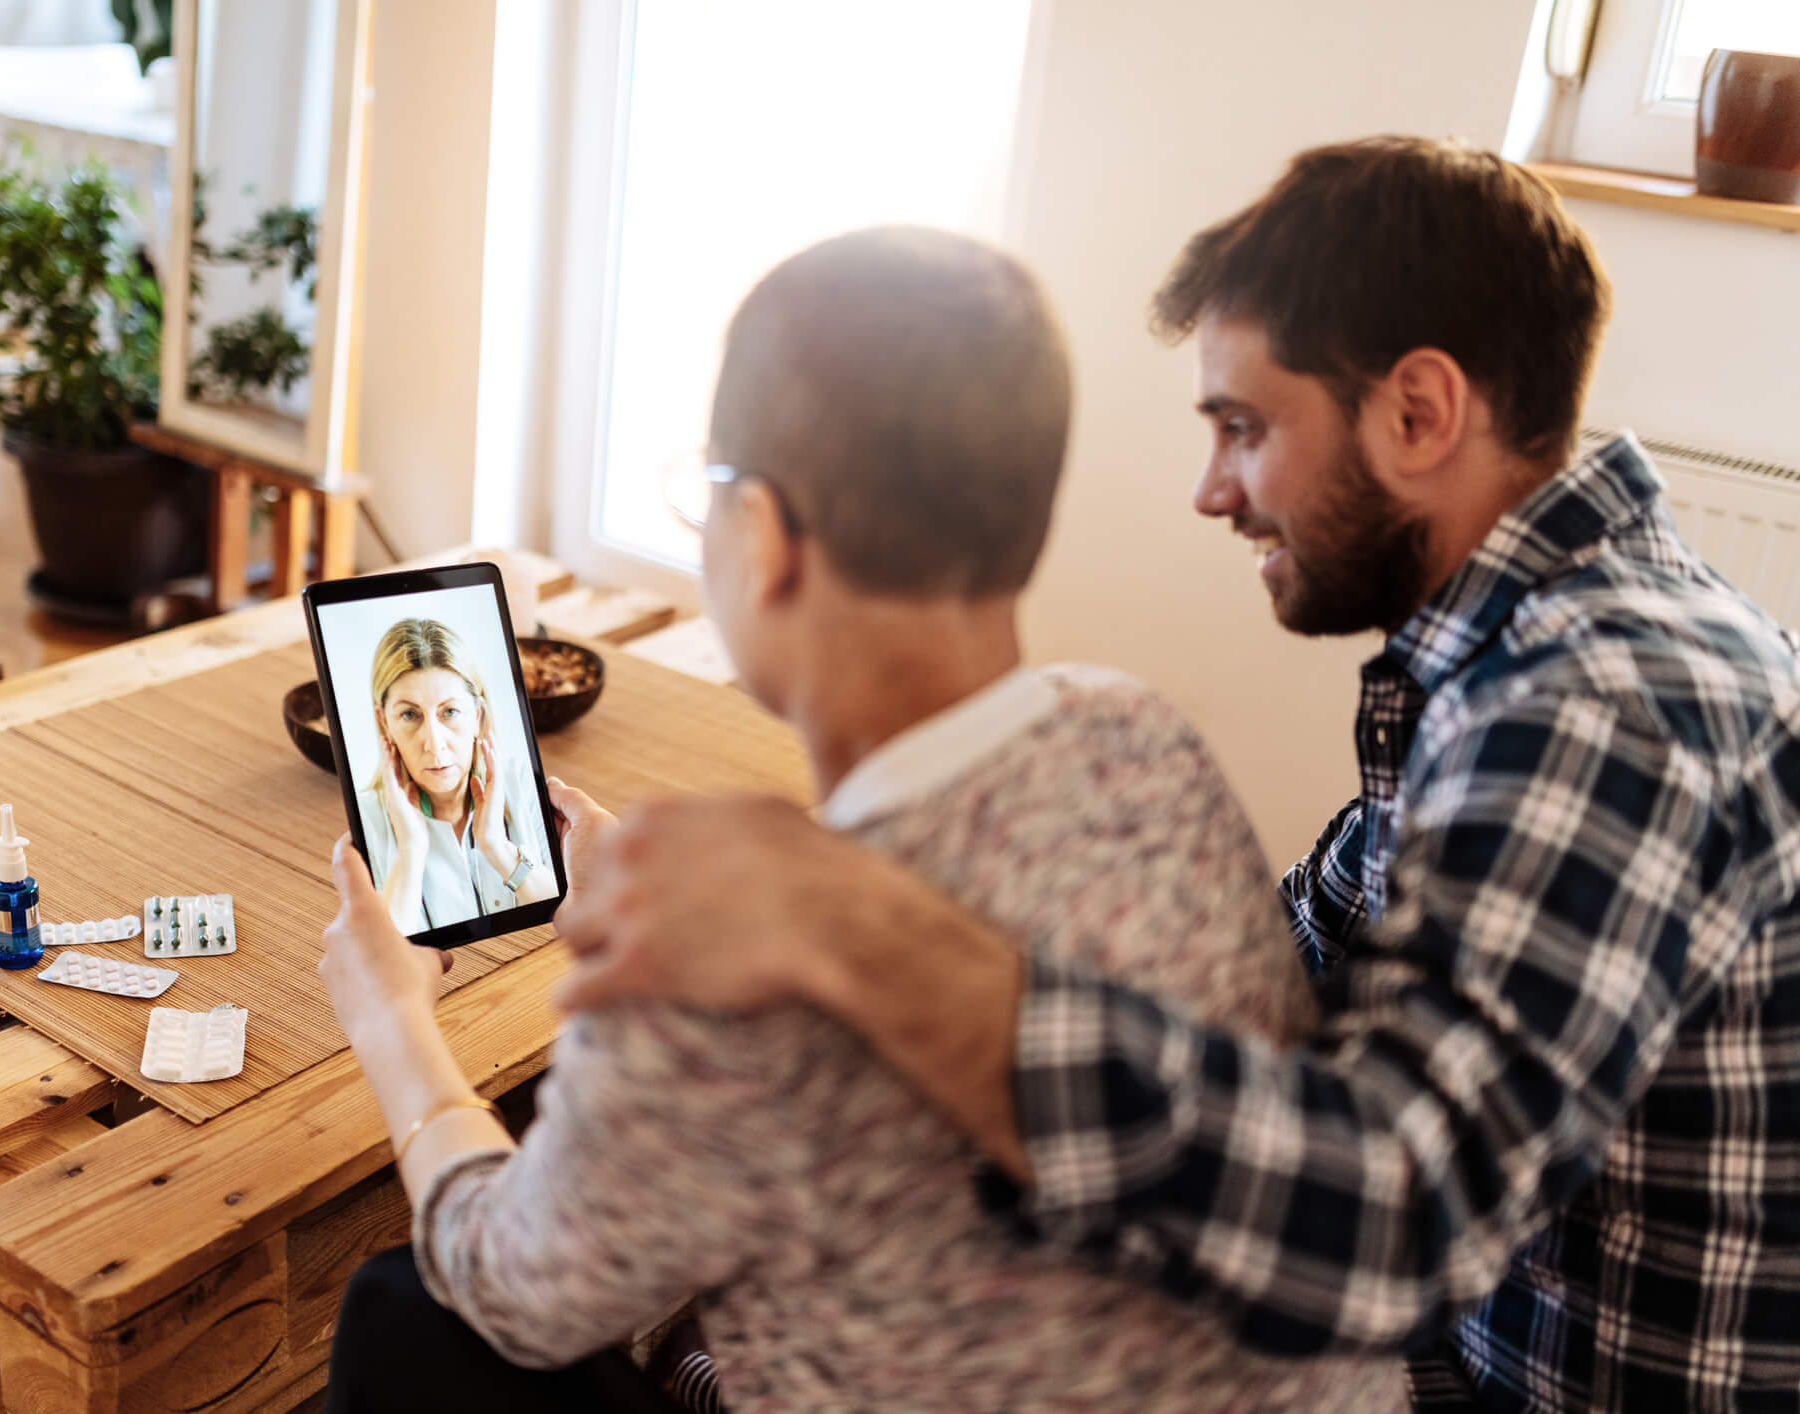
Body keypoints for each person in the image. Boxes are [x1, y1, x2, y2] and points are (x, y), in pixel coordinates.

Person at [550, 137, 1800, 1411]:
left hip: (1512, 1384)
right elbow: (1279, 970)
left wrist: (853, 922)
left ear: (1418, 413)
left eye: (1245, 429)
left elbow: (1381, 1231)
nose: (1213, 492)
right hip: (1479, 1342)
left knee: (697, 1359)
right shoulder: (1514, 656)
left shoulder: (1603, 709)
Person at [316, 226, 1406, 1411]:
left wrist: (392, 1023)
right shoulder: (1139, 730)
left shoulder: (727, 988)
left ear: (767, 536)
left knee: (408, 1310)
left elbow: (505, 1281)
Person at [354, 616, 555, 935]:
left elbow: (570, 918)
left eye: (449, 712)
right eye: (409, 714)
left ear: (477, 715)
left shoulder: (522, 782)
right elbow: (387, 954)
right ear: (384, 724)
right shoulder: (367, 818)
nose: (434, 745)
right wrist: (410, 850)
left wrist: (498, 849)